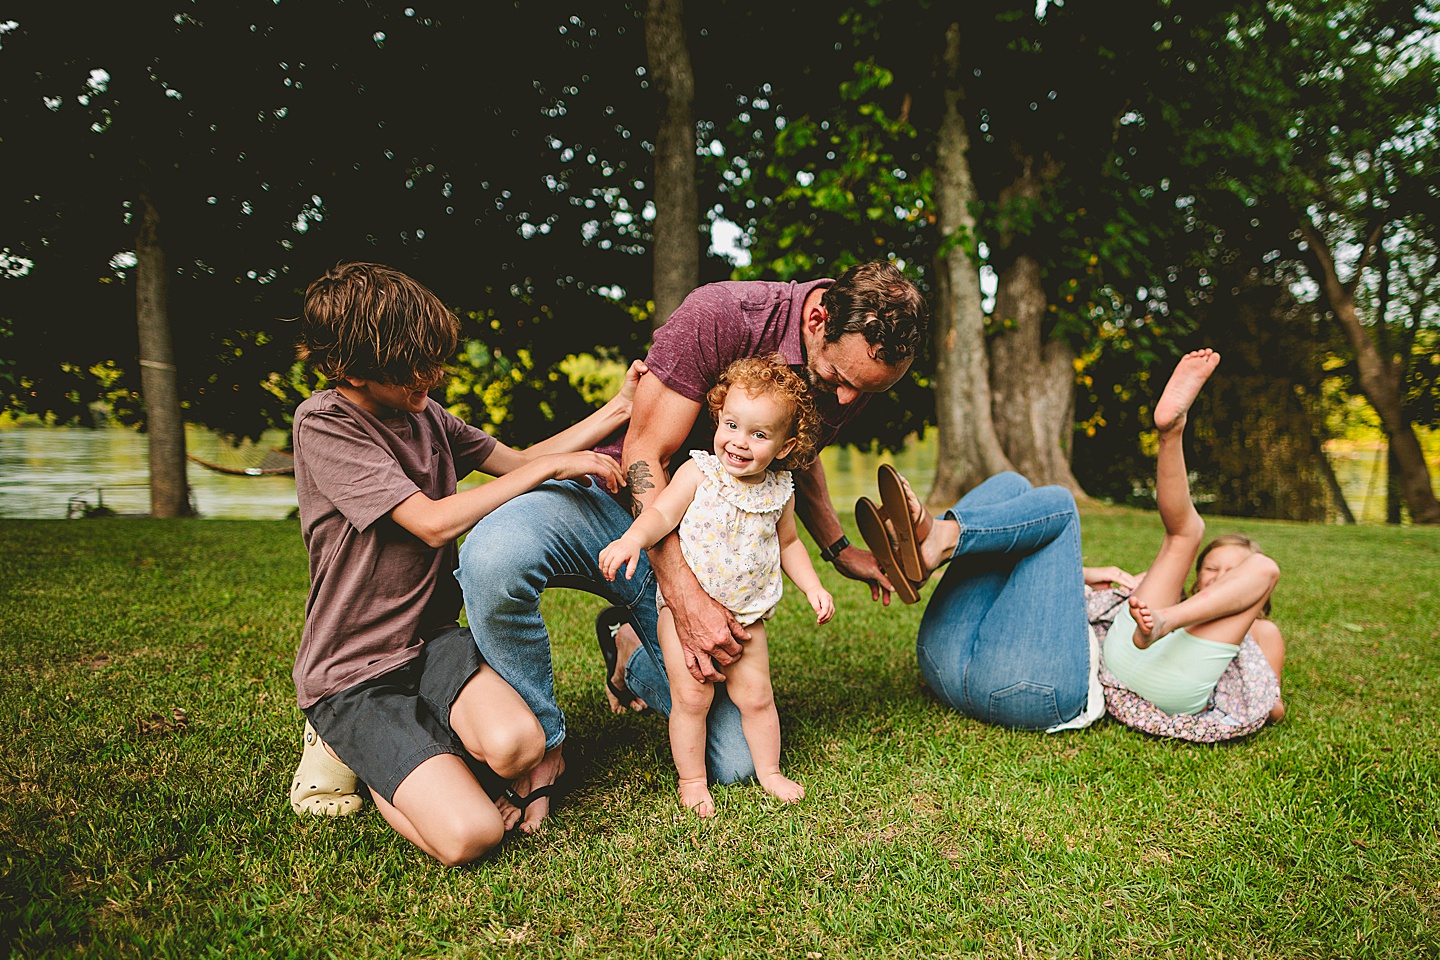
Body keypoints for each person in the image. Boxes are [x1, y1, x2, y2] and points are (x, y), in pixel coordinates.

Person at [457, 261, 927, 830]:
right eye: (839, 379)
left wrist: (837, 548)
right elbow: (642, 453)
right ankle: (542, 743)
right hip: (614, 501)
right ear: (818, 317)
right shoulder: (722, 316)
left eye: (866, 391)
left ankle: (630, 652)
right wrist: (684, 594)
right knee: (491, 554)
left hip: (715, 541)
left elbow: (797, 460)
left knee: (732, 762)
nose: (848, 399)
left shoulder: (854, 365)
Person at [285, 261, 644, 865]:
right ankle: (366, 758)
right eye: (412, 369)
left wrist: (619, 408)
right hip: (356, 671)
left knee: (518, 746)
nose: (433, 375)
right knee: (474, 836)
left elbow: (518, 459)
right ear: (350, 371)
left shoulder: (421, 412)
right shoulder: (324, 423)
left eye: (432, 358)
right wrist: (551, 471)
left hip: (430, 643)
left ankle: (418, 750)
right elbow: (432, 521)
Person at [859, 349, 1285, 731]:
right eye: (1212, 568)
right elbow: (1181, 529)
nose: (1219, 576)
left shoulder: (1260, 631)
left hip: (1028, 689)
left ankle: (937, 540)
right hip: (945, 664)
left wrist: (1180, 627)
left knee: (1059, 506)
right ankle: (929, 543)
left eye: (1232, 573)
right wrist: (1084, 576)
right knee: (1010, 483)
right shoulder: (1145, 600)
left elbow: (1273, 704)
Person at [598, 356, 835, 816]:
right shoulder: (698, 473)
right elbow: (661, 515)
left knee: (758, 697)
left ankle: (770, 773)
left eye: (759, 434)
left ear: (785, 447)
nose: (739, 442)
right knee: (692, 697)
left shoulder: (778, 490)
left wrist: (812, 587)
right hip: (682, 611)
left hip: (748, 617)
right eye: (731, 424)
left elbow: (788, 544)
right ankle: (692, 780)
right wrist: (630, 540)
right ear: (719, 416)